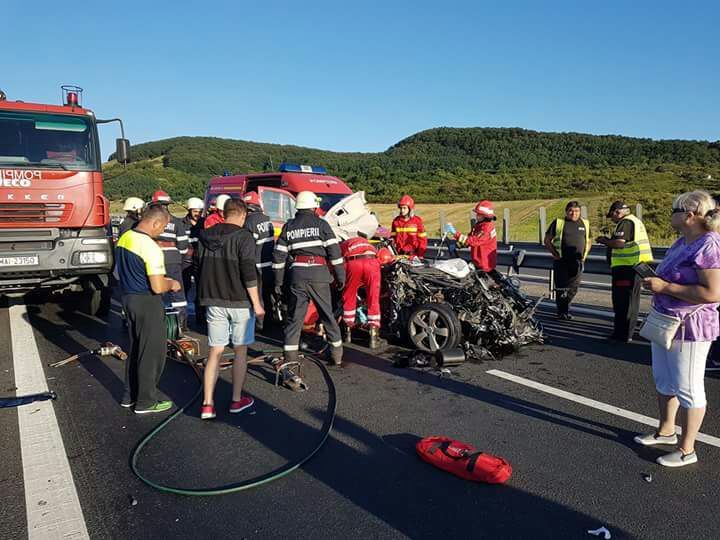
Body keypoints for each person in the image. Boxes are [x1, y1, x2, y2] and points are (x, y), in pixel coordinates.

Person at [635, 190, 720, 468]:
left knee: (688, 387)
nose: (670, 213)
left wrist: (666, 287)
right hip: (666, 319)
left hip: (690, 326)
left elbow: (712, 292)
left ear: (690, 214)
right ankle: (666, 430)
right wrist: (656, 283)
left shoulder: (709, 245)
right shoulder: (682, 242)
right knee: (664, 379)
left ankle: (687, 449)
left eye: (674, 209)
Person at [196, 198, 265, 419]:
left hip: (213, 300)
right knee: (240, 351)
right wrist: (257, 303)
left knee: (215, 351)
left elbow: (198, 267)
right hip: (240, 302)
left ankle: (207, 404)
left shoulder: (205, 236)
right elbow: (248, 272)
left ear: (224, 213)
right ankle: (236, 400)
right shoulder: (244, 237)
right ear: (243, 215)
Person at [115, 204, 181, 414]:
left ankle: (130, 396)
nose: (161, 232)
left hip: (128, 298)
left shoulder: (125, 237)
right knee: (152, 354)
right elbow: (157, 286)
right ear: (155, 222)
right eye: (162, 228)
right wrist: (172, 283)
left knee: (136, 350)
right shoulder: (150, 247)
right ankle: (145, 401)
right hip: (147, 302)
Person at [273, 191, 346, 366]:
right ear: (314, 206)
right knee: (327, 315)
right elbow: (334, 253)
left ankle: (290, 357)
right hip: (319, 274)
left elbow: (279, 258)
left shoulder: (288, 227)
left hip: (297, 275)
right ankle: (336, 355)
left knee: (295, 317)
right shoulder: (322, 225)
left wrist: (278, 282)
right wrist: (340, 276)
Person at [597, 201, 652, 341]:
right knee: (631, 301)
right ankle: (626, 333)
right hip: (635, 267)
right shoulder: (636, 221)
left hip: (626, 268)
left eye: (612, 216)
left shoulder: (625, 222)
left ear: (617, 212)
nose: (612, 220)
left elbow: (619, 244)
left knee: (622, 302)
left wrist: (604, 241)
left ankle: (622, 334)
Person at [150, 190, 190, 332]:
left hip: (153, 261)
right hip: (173, 261)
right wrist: (178, 257)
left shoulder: (147, 222)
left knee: (155, 290)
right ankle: (181, 323)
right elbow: (184, 247)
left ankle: (157, 323)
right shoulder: (177, 222)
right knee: (177, 292)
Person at [544, 201, 591, 320]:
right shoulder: (559, 223)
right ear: (566, 211)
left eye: (576, 211)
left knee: (573, 288)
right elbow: (547, 240)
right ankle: (562, 311)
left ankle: (565, 308)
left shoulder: (585, 223)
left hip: (577, 261)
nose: (573, 213)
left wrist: (584, 256)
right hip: (561, 261)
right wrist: (554, 254)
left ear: (580, 212)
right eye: (571, 211)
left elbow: (589, 240)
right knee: (561, 288)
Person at [341, 232, 382, 349]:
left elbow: (336, 262)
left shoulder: (344, 243)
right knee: (373, 297)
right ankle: (373, 335)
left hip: (353, 263)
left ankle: (347, 331)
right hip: (372, 262)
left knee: (349, 295)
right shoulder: (369, 244)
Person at [243, 191, 275, 321]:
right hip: (269, 263)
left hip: (256, 265)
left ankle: (260, 322)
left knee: (258, 294)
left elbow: (248, 247)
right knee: (268, 294)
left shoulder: (249, 222)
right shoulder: (267, 219)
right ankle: (271, 319)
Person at [446, 200, 498, 272]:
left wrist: (455, 233)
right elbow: (470, 238)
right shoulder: (480, 225)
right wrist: (459, 245)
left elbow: (474, 241)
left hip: (484, 264)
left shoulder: (486, 228)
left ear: (485, 216)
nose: (476, 216)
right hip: (479, 262)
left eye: (479, 214)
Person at [182, 197, 205, 323]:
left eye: (200, 211)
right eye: (195, 211)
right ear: (189, 210)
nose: (198, 214)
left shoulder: (204, 222)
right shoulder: (181, 224)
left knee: (200, 288)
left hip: (200, 260)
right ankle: (182, 319)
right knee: (184, 288)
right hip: (186, 261)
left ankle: (200, 317)